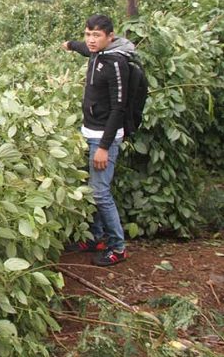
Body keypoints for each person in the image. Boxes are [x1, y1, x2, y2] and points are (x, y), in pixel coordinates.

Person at [61, 14, 134, 266]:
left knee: (100, 193)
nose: (91, 40)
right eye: (87, 34)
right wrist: (70, 44)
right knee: (93, 190)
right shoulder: (96, 53)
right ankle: (96, 238)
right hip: (89, 132)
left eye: (97, 35)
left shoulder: (115, 62)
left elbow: (119, 109)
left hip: (104, 138)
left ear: (110, 37)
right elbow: (84, 49)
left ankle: (118, 247)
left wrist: (103, 146)